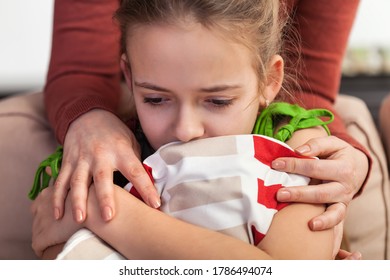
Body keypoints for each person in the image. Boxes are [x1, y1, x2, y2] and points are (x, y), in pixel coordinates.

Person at [31, 0, 358, 260]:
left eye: (217, 101)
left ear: (270, 81)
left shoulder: (294, 152)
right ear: (129, 78)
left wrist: (106, 213)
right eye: (156, 98)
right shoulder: (98, 165)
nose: (186, 130)